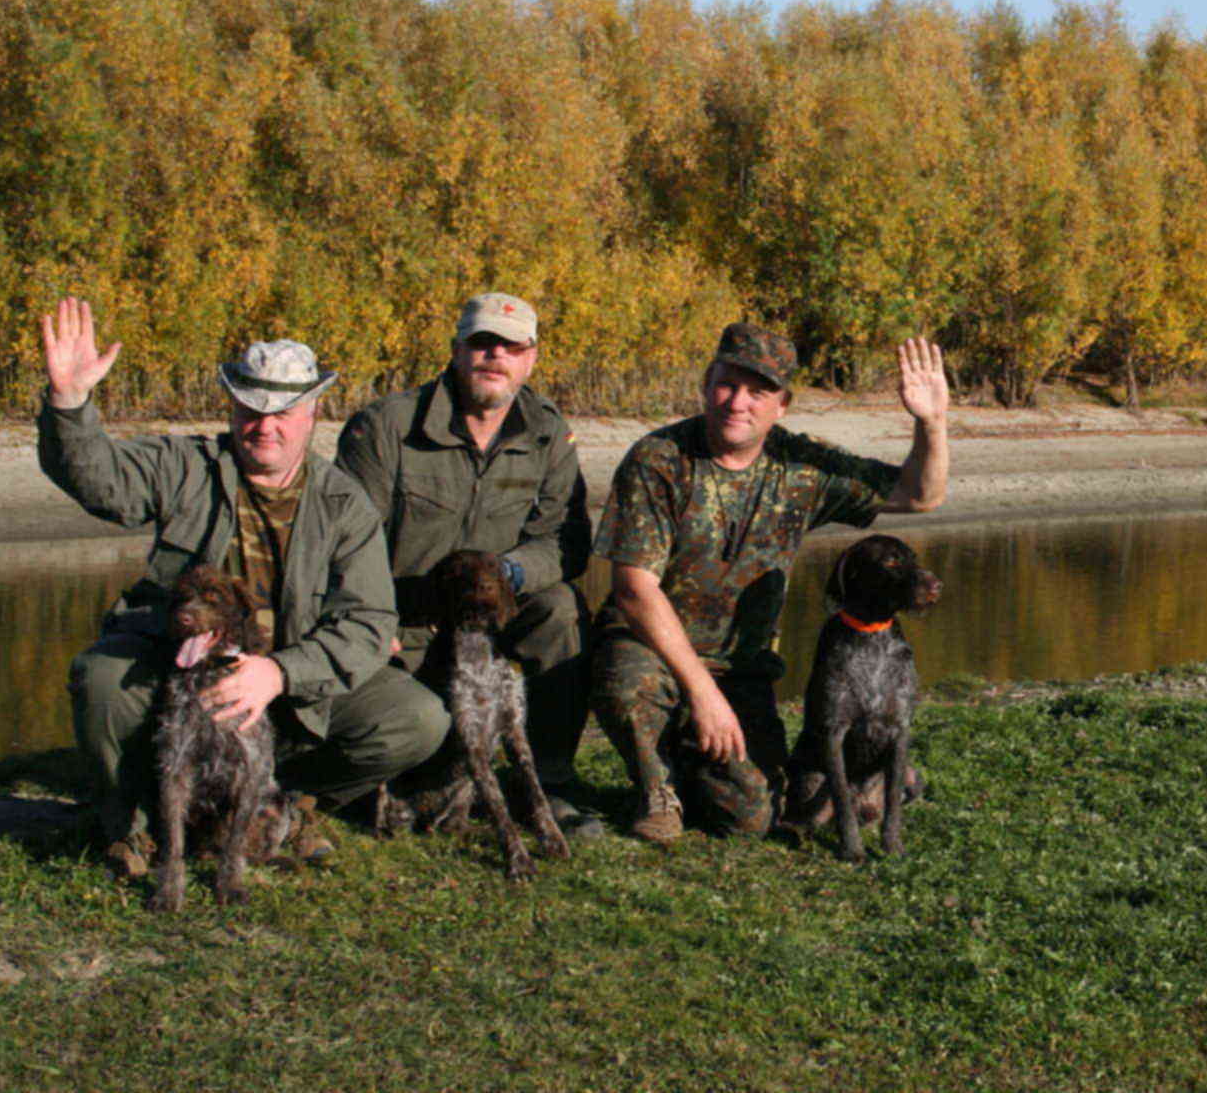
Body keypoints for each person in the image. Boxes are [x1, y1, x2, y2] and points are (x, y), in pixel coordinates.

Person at [39, 298, 446, 878]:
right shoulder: (186, 465)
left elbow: (369, 621)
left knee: (417, 718)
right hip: (179, 667)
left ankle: (286, 805)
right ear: (231, 406)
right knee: (102, 678)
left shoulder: (344, 505)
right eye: (251, 408)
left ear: (313, 412)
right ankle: (136, 829)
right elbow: (100, 480)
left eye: (284, 411)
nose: (265, 425)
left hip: (292, 685)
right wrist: (70, 403)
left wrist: (280, 672)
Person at [591, 323, 948, 844]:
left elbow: (919, 495)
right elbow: (634, 590)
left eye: (758, 391)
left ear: (782, 405)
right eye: (726, 384)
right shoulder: (657, 459)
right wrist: (703, 691)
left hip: (742, 669)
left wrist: (932, 423)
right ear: (706, 384)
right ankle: (657, 791)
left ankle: (693, 757)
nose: (738, 402)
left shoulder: (801, 465)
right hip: (652, 647)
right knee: (630, 680)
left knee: (751, 819)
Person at [333, 293, 598, 835]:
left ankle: (549, 782)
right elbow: (344, 545)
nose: (494, 355)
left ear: (531, 357)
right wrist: (372, 619)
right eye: (481, 343)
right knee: (419, 743)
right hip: (405, 622)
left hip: (492, 614)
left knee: (562, 608)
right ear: (457, 350)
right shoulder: (386, 426)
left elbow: (567, 541)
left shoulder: (548, 432)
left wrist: (507, 577)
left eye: (511, 345)